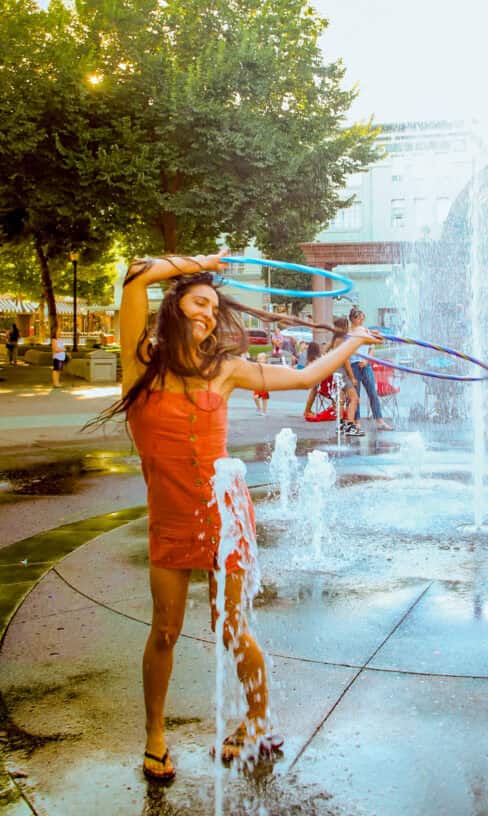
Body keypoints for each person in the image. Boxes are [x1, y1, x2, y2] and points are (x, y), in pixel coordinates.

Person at [94, 253, 380, 782]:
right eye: (197, 300)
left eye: (212, 305)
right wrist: (199, 264)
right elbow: (135, 278)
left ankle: (258, 721)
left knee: (230, 626)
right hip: (171, 517)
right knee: (164, 630)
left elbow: (301, 378)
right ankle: (155, 735)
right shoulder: (140, 367)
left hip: (226, 515)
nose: (207, 312)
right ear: (173, 306)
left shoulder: (223, 369)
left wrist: (352, 344)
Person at [348, 306, 393, 431]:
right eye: (360, 319)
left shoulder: (366, 332)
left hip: (365, 365)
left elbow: (372, 347)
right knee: (355, 396)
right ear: (353, 319)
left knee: (372, 392)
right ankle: (357, 422)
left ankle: (379, 420)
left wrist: (366, 360)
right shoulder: (349, 334)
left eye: (363, 319)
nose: (362, 321)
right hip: (353, 365)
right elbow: (346, 352)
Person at [324, 317, 363, 437]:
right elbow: (345, 360)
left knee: (340, 400)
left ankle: (340, 425)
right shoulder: (342, 341)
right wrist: (352, 377)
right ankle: (350, 425)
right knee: (354, 398)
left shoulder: (335, 339)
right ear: (344, 327)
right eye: (346, 325)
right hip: (342, 372)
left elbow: (324, 352)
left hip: (335, 371)